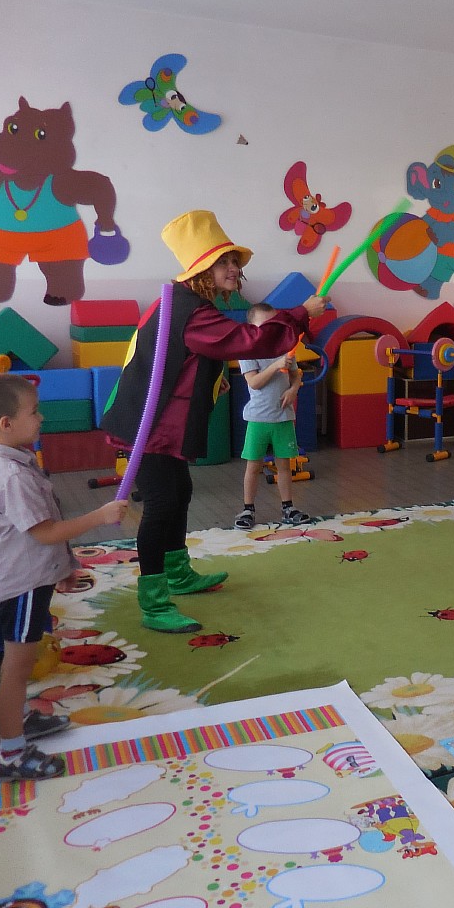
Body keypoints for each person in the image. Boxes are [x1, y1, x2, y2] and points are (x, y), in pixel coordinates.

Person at [104, 209, 327, 633]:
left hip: (160, 423)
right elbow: (248, 340)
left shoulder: (182, 303)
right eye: (224, 261)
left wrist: (211, 379)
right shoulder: (190, 311)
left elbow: (183, 354)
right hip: (149, 426)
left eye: (235, 262)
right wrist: (301, 313)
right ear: (202, 268)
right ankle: (154, 603)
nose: (234, 269)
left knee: (179, 492)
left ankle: (178, 574)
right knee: (161, 505)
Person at [0, 373, 128, 779]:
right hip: (19, 585)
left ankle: (21, 720)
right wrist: (100, 516)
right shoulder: (10, 476)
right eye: (34, 412)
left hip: (25, 576)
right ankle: (12, 756)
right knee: (17, 670)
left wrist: (62, 569)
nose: (41, 418)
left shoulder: (9, 460)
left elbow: (37, 529)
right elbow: (47, 532)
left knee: (22, 659)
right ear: (6, 423)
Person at [236, 302, 313, 530]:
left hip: (283, 417)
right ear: (252, 328)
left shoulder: (284, 347)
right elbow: (254, 382)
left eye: (274, 323)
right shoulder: (248, 351)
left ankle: (288, 507)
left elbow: (295, 375)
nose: (270, 329)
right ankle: (248, 509)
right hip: (258, 418)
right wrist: (276, 365)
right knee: (253, 466)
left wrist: (293, 389)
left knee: (284, 465)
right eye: (264, 325)